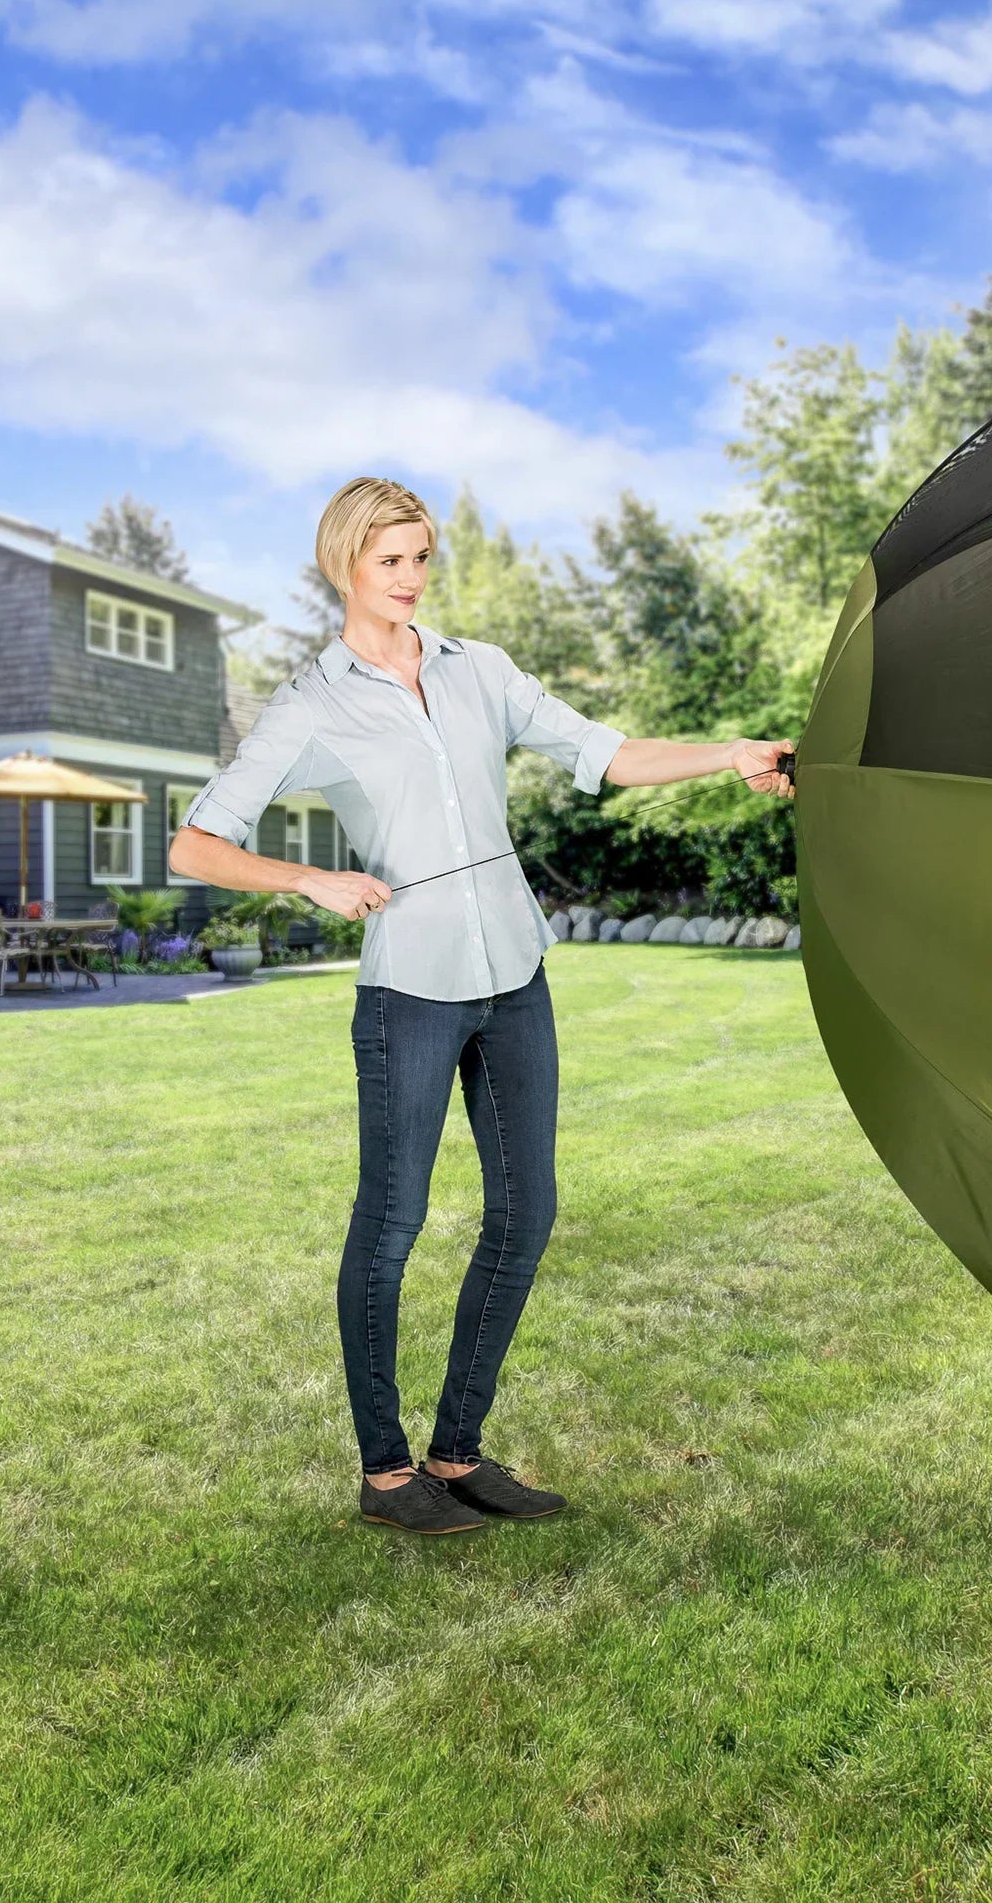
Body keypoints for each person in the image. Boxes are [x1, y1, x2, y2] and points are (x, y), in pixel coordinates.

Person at [170, 477, 795, 1535]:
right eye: (390, 561)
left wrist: (726, 753)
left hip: (512, 973)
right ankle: (384, 1473)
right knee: (393, 1222)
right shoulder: (311, 702)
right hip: (406, 990)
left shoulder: (480, 673)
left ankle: (456, 1451)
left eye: (420, 557)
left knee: (525, 1211)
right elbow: (195, 841)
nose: (411, 579)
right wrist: (309, 880)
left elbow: (605, 754)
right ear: (344, 564)